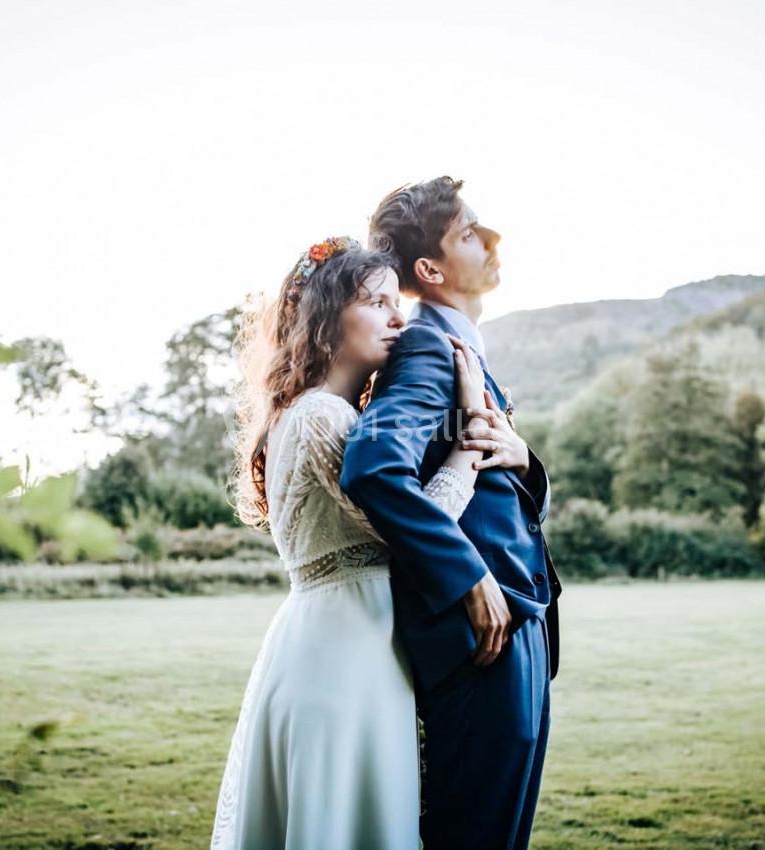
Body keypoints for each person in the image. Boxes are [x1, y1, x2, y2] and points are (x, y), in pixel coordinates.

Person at [210, 235, 511, 849]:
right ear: (325, 317)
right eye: (375, 302)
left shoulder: (306, 412)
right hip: (348, 648)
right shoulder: (325, 418)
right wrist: (466, 447)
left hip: (322, 636)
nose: (397, 317)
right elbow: (417, 526)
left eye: (393, 301)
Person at [341, 177, 563, 850]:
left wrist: (525, 460)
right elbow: (372, 468)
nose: (490, 237)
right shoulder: (429, 348)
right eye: (469, 232)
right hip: (480, 636)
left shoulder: (464, 351)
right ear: (430, 269)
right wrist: (469, 578)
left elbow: (504, 492)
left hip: (518, 623)